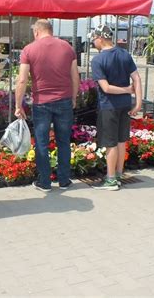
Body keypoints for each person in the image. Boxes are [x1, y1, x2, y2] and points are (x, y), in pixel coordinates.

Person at [15, 19, 80, 192]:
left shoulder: (29, 49)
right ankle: (64, 180)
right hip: (64, 100)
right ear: (50, 30)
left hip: (41, 102)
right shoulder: (67, 47)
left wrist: (17, 104)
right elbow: (75, 77)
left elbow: (22, 80)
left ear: (36, 32)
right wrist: (73, 97)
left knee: (42, 143)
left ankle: (44, 182)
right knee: (64, 141)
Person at [89, 25, 142, 191]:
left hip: (109, 106)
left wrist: (126, 90)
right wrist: (138, 102)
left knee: (110, 143)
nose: (93, 42)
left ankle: (110, 180)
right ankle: (118, 173)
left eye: (94, 39)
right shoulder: (124, 54)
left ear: (101, 38)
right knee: (121, 141)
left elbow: (106, 88)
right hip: (125, 105)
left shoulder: (97, 60)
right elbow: (137, 78)